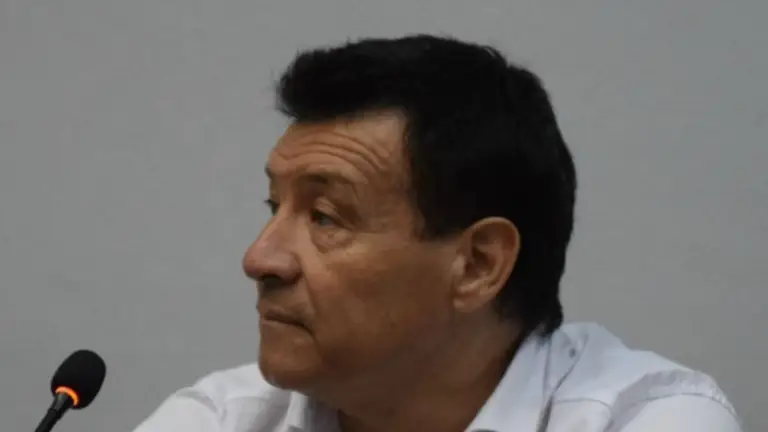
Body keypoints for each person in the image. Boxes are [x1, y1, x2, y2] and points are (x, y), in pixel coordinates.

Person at [132, 35, 741, 432]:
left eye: (324, 217)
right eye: (273, 207)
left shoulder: (647, 417)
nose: (260, 258)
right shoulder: (222, 418)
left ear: (478, 264)